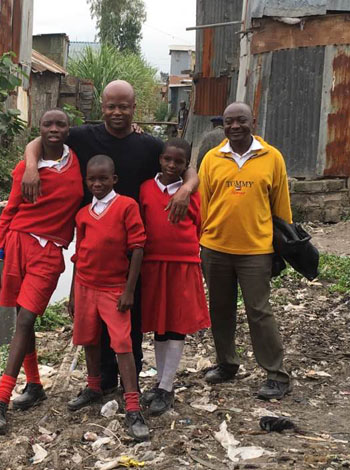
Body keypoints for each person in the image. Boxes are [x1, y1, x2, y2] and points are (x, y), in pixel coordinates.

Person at [20, 80, 199, 393]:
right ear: (102, 107)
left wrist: (185, 189)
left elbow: (187, 169)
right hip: (93, 237)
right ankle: (102, 381)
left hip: (134, 244)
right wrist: (31, 167)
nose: (117, 112)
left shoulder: (150, 146)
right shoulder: (82, 137)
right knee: (95, 318)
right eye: (111, 106)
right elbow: (42, 139)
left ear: (134, 109)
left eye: (124, 107)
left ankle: (131, 383)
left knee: (131, 311)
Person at [0, 109, 84, 434]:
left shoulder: (78, 165)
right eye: (47, 124)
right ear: (38, 128)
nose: (54, 129)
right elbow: (9, 213)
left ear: (69, 130)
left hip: (50, 252)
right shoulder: (24, 168)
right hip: (16, 244)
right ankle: (35, 384)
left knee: (27, 319)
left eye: (60, 124)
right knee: (20, 320)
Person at [198, 102, 293, 400]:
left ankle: (276, 374)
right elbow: (201, 205)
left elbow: (281, 208)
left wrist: (283, 249)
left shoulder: (271, 157)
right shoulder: (213, 159)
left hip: (256, 250)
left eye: (241, 120)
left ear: (254, 120)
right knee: (220, 309)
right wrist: (197, 241)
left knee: (259, 311)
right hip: (215, 248)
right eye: (229, 122)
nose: (235, 126)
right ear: (222, 125)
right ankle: (227, 363)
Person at [67, 155, 149, 441]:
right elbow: (78, 255)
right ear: (86, 181)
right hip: (86, 286)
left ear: (114, 179)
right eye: (92, 179)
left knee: (122, 344)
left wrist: (129, 290)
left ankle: (133, 405)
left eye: (103, 179)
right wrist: (73, 293)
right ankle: (93, 387)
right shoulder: (83, 214)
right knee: (88, 338)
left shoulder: (127, 206)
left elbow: (138, 248)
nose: (97, 184)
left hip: (114, 288)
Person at [138, 138, 211, 416]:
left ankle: (167, 386)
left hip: (182, 264)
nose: (171, 165)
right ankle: (159, 382)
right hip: (153, 265)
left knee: (177, 324)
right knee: (159, 324)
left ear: (186, 165)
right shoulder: (145, 189)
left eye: (178, 162)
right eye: (167, 159)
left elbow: (200, 226)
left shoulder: (192, 193)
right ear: (160, 159)